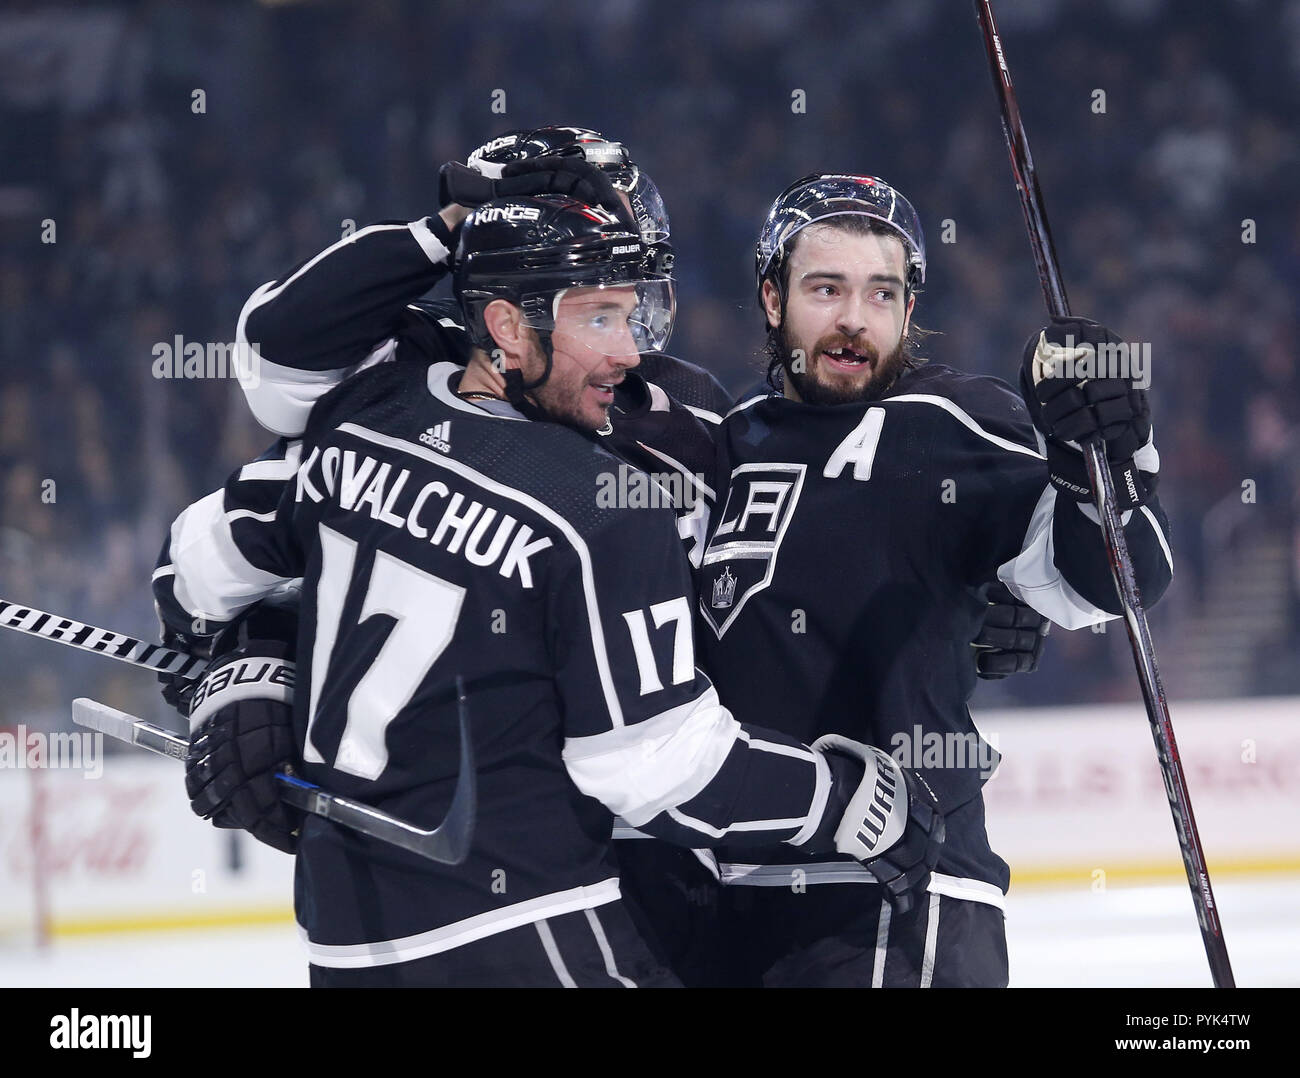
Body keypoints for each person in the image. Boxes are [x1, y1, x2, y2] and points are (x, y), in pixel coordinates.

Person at [153, 190, 946, 987]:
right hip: (537, 930)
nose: (629, 352)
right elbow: (659, 767)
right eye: (598, 318)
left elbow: (197, 563)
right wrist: (840, 796)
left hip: (345, 942)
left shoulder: (361, 418)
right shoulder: (602, 506)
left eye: (632, 316)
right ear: (504, 326)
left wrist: (238, 667)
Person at [686, 173, 1175, 987]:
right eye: (825, 288)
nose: (853, 318)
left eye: (882, 294)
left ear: (909, 312)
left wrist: (1106, 460)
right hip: (735, 893)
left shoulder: (953, 421)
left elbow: (1118, 585)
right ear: (772, 299)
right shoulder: (728, 439)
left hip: (899, 893)